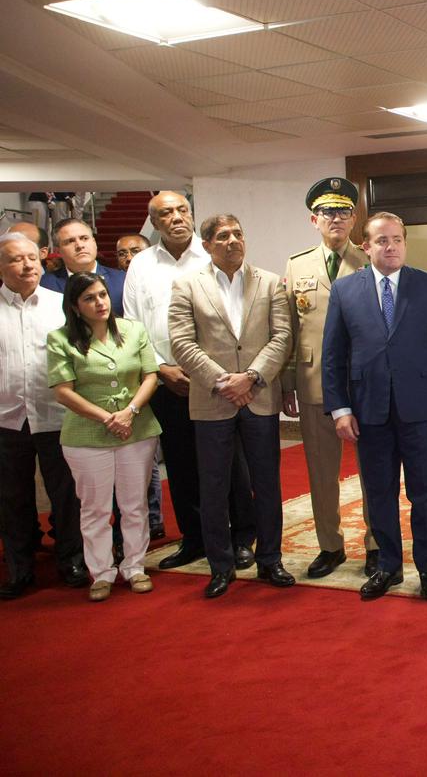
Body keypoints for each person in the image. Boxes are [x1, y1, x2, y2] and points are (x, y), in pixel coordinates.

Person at [322, 212, 427, 601]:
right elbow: (333, 356)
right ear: (366, 247)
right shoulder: (345, 290)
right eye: (382, 240)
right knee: (379, 493)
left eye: (398, 239)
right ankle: (387, 566)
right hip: (369, 412)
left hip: (423, 411)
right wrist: (340, 409)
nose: (392, 246)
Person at [123, 192, 256, 571]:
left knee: (231, 462)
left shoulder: (212, 252)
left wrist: (218, 374)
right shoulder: (141, 265)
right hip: (168, 380)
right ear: (155, 222)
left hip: (219, 381)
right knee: (181, 464)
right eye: (167, 213)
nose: (177, 217)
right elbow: (133, 324)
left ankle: (241, 537)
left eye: (183, 210)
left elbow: (236, 318)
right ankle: (195, 539)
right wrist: (159, 368)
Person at [169, 214, 295, 598]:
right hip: (213, 400)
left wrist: (251, 377)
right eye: (222, 236)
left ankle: (270, 559)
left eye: (238, 234)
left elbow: (282, 337)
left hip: (259, 397)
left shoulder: (269, 282)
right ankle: (221, 567)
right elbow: (182, 342)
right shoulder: (187, 285)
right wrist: (224, 381)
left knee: (267, 484)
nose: (232, 241)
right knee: (214, 487)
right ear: (206, 244)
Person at [281, 178, 377, 580]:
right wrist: (287, 383)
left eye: (343, 212)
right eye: (327, 212)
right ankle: (330, 545)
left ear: (354, 218)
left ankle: (376, 545)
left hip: (365, 382)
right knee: (321, 471)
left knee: (373, 469)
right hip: (315, 380)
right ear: (313, 219)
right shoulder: (296, 265)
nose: (335, 219)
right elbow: (289, 327)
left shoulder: (370, 260)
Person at [47, 272, 162, 601]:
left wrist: (129, 412)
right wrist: (108, 418)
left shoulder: (132, 329)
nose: (100, 303)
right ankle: (101, 572)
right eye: (89, 298)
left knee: (134, 504)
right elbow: (63, 391)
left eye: (102, 295)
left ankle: (135, 566)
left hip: (136, 429)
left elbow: (150, 376)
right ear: (74, 306)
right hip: (86, 435)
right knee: (95, 508)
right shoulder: (60, 338)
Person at [0, 233, 87, 598]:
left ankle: (72, 561)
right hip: (7, 418)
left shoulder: (60, 305)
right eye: (16, 259)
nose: (27, 266)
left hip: (56, 414)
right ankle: (19, 569)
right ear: (1, 267)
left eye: (32, 258)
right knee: (12, 498)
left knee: (66, 494)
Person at [113, 232, 165, 541]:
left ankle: (154, 518)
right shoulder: (111, 284)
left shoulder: (153, 277)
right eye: (122, 253)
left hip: (157, 375)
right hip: (130, 380)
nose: (128, 257)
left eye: (135, 251)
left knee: (150, 456)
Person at [40, 218, 125, 314]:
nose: (80, 245)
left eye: (84, 238)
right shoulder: (45, 285)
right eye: (70, 241)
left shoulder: (122, 281)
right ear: (57, 251)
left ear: (94, 242)